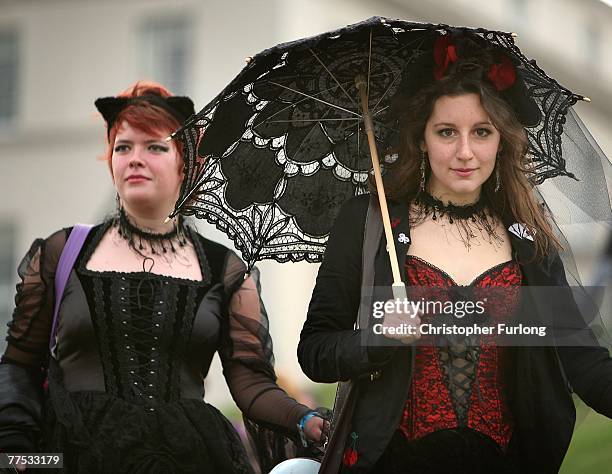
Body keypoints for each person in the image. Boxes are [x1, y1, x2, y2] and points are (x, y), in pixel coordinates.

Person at [298, 33, 612, 474]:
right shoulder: (369, 223)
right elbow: (315, 350)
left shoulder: (528, 238)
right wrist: (376, 339)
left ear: (501, 141)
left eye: (481, 132)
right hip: (391, 461)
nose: (465, 152)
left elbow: (582, 359)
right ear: (421, 138)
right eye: (447, 132)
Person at [0, 81, 325, 473]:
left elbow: (251, 384)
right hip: (74, 458)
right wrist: (17, 455)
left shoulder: (225, 271)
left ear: (185, 162)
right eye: (123, 147)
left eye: (154, 146)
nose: (135, 158)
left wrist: (304, 419)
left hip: (189, 459)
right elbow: (18, 365)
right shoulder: (61, 252)